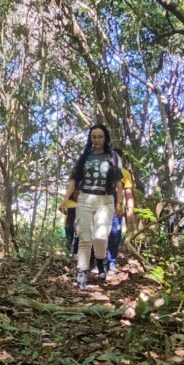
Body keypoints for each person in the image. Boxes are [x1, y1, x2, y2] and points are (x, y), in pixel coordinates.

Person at [63, 124, 124, 289]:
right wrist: (66, 198)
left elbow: (118, 183)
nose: (97, 140)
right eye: (94, 137)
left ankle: (100, 260)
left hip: (105, 200)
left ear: (105, 138)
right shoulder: (84, 157)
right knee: (85, 237)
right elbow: (74, 180)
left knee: (101, 235)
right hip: (85, 199)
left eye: (100, 137)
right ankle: (82, 271)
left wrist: (119, 203)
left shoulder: (113, 157)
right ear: (90, 139)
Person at [104, 148, 135, 273]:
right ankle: (99, 260)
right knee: (100, 234)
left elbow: (128, 193)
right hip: (102, 207)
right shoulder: (104, 171)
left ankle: (111, 262)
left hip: (117, 209)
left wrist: (130, 211)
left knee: (115, 235)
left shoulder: (125, 173)